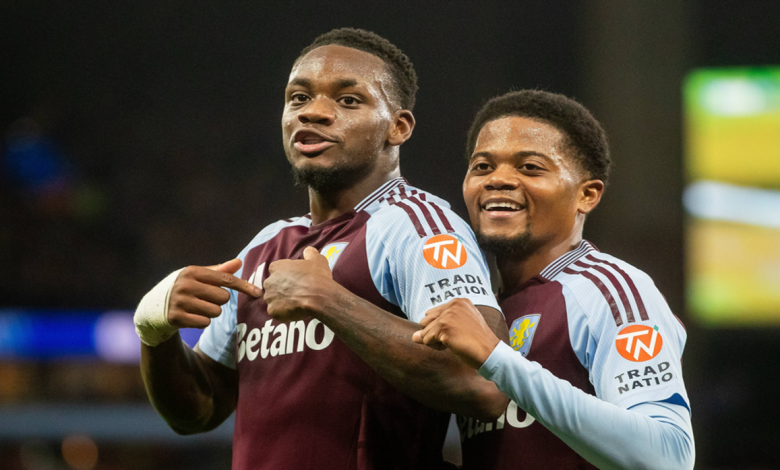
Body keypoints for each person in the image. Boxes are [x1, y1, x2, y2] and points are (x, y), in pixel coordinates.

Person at [133, 28, 508, 470]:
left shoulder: (415, 226)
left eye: (348, 100)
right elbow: (199, 410)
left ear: (398, 127)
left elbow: (484, 384)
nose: (313, 112)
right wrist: (154, 331)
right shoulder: (265, 246)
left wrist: (328, 300)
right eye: (298, 98)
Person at [413, 90, 695, 469]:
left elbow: (667, 457)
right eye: (482, 166)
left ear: (587, 195)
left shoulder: (610, 290)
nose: (498, 180)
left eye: (530, 167)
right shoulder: (480, 307)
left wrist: (497, 358)